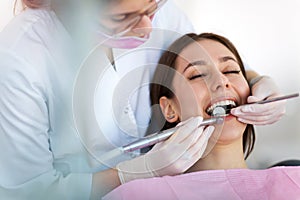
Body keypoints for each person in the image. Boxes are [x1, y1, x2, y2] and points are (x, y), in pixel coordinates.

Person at [0, 0, 285, 199]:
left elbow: (206, 57)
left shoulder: (288, 178)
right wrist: (130, 175)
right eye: (123, 17)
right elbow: (26, 192)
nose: (149, 28)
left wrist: (257, 80)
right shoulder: (21, 58)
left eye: (153, 7)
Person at [103, 33, 300, 200]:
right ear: (170, 108)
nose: (221, 81)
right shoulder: (135, 195)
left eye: (231, 70)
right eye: (197, 75)